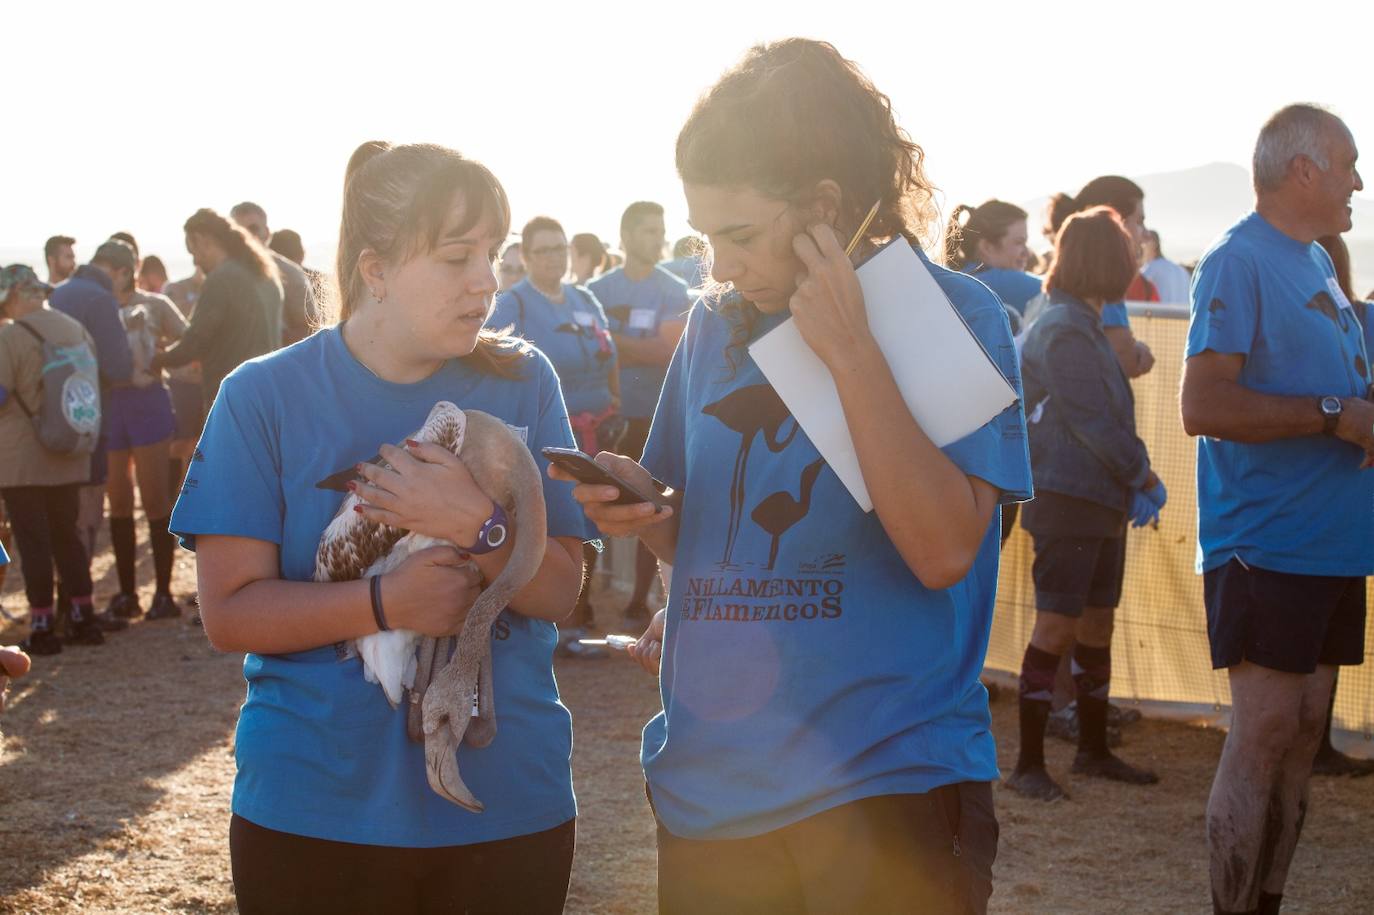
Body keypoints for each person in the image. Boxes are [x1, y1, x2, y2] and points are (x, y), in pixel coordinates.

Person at [554, 39, 1030, 912]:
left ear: (824, 204)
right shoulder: (713, 329)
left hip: (890, 785)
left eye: (738, 235)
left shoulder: (958, 316)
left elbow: (943, 551)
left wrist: (850, 351)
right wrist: (647, 507)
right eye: (705, 237)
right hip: (712, 793)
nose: (721, 265)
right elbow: (700, 539)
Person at [170, 140, 587, 915]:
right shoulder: (261, 396)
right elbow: (229, 613)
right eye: (457, 256)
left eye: (493, 253)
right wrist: (388, 603)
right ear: (376, 270)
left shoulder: (525, 380)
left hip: (507, 804)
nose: (486, 281)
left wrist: (480, 526)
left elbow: (562, 593)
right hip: (314, 811)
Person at [1180, 104, 1371, 915]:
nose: (1359, 181)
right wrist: (1334, 413)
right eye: (1349, 163)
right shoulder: (1238, 260)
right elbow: (1201, 403)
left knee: (1299, 738)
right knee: (1261, 736)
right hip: (1267, 545)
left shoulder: (1318, 264)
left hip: (1330, 548)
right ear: (1305, 171)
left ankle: (1267, 902)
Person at [1007, 207, 1166, 802]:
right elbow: (1094, 422)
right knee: (1056, 625)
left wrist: (1132, 481)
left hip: (1096, 499)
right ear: (1110, 261)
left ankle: (1093, 751)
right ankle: (1027, 764)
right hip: (1070, 498)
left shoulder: (1079, 324)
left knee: (1096, 623)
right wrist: (1143, 474)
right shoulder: (1067, 330)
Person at [490, 216, 619, 650]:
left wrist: (613, 403)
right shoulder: (513, 303)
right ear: (525, 256)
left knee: (591, 519)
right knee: (556, 520)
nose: (553, 258)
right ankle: (559, 620)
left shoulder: (585, 298)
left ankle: (580, 615)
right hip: (546, 436)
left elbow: (608, 351)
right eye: (543, 250)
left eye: (559, 248)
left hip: (595, 429)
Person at [588, 201, 690, 620]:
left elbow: (667, 348)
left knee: (652, 508)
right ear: (627, 235)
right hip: (608, 417)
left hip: (655, 417)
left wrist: (612, 341)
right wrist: (625, 346)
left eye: (660, 231)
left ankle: (639, 602)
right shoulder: (598, 290)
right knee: (595, 507)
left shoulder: (672, 289)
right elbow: (588, 350)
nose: (658, 239)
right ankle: (582, 604)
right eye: (649, 231)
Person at [0, 265, 103, 653]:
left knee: (33, 541)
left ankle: (42, 622)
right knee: (67, 536)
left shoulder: (11, 336)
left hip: (21, 459)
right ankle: (82, 615)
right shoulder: (75, 329)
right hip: (70, 452)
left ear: (14, 295)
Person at [49, 239, 136, 630]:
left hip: (49, 425)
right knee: (85, 518)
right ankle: (77, 607)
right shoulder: (101, 300)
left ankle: (58, 603)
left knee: (59, 517)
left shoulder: (60, 291)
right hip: (87, 422)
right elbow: (118, 366)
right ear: (119, 270)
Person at [102, 238, 187, 621]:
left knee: (155, 500)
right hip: (112, 406)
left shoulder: (155, 304)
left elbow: (188, 339)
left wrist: (162, 356)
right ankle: (125, 593)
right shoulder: (97, 308)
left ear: (125, 269)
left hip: (150, 402)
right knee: (118, 501)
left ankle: (164, 593)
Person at [153, 209, 283, 410]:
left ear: (202, 240)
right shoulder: (266, 275)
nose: (195, 261)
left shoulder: (221, 279)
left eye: (192, 251)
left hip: (231, 398)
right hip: (267, 394)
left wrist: (156, 359)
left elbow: (195, 342)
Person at [1045, 176, 1157, 378]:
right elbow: (1123, 359)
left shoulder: (1062, 285)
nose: (1146, 235)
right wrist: (1139, 351)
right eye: (1139, 222)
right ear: (1115, 223)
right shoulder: (1102, 288)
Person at [230, 201, 318, 346]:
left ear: (267, 233)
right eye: (238, 231)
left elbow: (310, 330)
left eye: (253, 229)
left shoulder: (291, 274)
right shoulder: (223, 277)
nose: (246, 237)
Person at [944, 200, 1041, 322]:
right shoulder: (1000, 282)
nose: (1027, 253)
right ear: (987, 247)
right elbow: (1065, 291)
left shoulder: (962, 279)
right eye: (1018, 242)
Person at [162, 268, 207, 499]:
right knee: (180, 442)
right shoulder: (175, 290)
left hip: (210, 381)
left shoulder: (226, 288)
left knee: (202, 444)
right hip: (182, 381)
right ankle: (172, 496)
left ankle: (191, 494)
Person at [1139, 229, 1191, 303]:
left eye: (1142, 242)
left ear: (1153, 244)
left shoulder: (1149, 269)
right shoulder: (1182, 271)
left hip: (1159, 314)